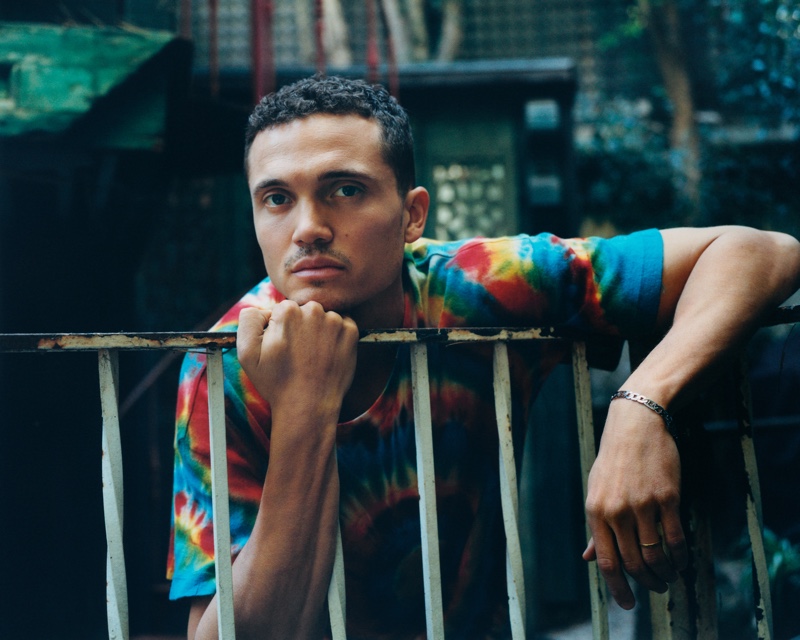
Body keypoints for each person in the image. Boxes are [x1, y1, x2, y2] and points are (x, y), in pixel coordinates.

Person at [167, 75, 800, 639]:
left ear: (413, 214)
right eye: (277, 198)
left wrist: (643, 404)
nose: (307, 227)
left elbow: (762, 252)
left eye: (344, 190)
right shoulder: (223, 363)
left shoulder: (478, 285)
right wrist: (303, 409)